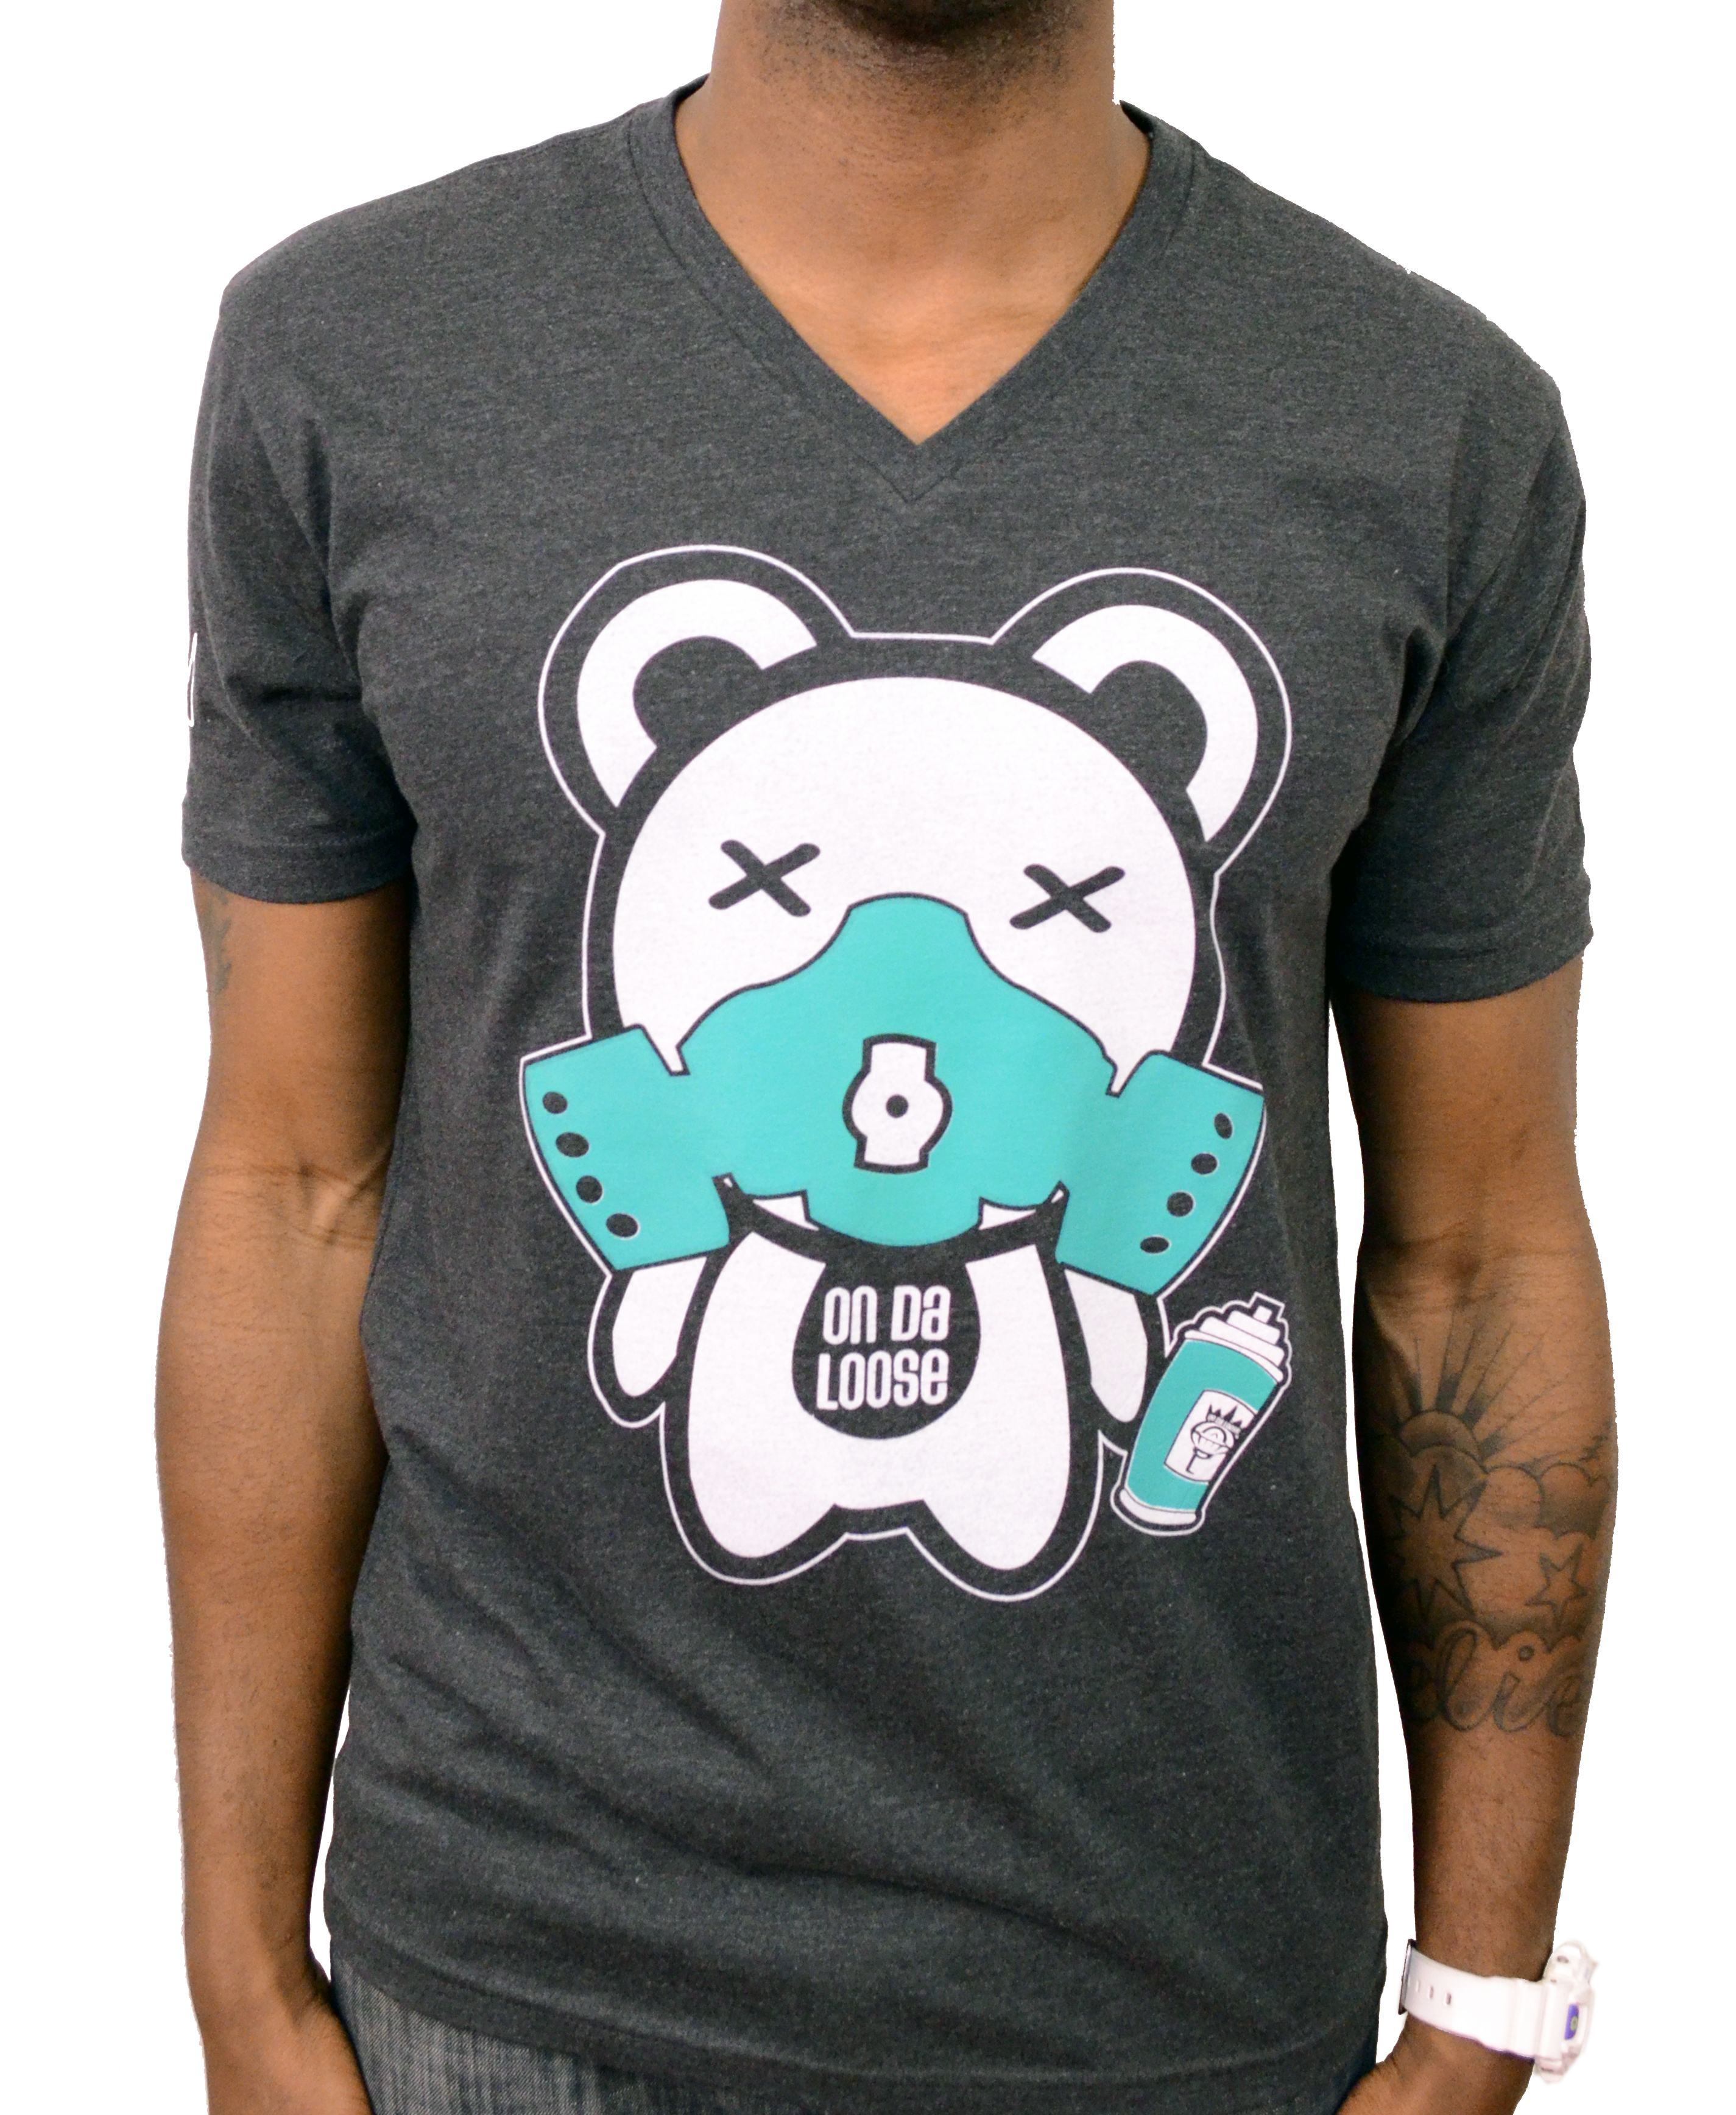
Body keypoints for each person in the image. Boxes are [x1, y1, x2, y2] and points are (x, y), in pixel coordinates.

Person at [158, 2, 1614, 2111]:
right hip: (510, 1982)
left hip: (1183, 1995)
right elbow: (292, 1186)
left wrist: (1483, 2003)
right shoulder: (353, 356)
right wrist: (234, 1972)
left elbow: (1480, 1254)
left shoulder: (1428, 423)